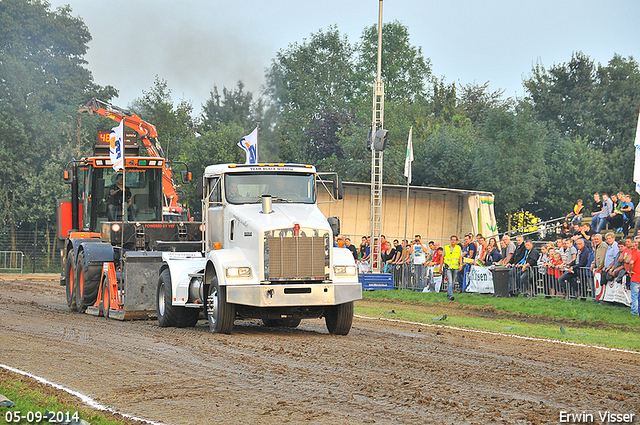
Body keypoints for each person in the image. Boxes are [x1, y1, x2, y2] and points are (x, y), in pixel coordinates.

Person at [443, 235, 462, 301]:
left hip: (455, 267)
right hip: (448, 267)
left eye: (454, 240)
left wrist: (460, 265)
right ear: (450, 240)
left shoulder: (458, 248)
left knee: (452, 282)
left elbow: (460, 257)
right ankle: (451, 295)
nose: (453, 241)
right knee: (450, 281)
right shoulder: (446, 247)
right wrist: (440, 267)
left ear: (456, 241)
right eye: (452, 240)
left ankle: (449, 294)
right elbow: (442, 257)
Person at [627, 236, 640, 317]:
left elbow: (631, 262)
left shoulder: (636, 253)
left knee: (635, 296)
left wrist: (630, 270)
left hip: (635, 277)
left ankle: (634, 311)